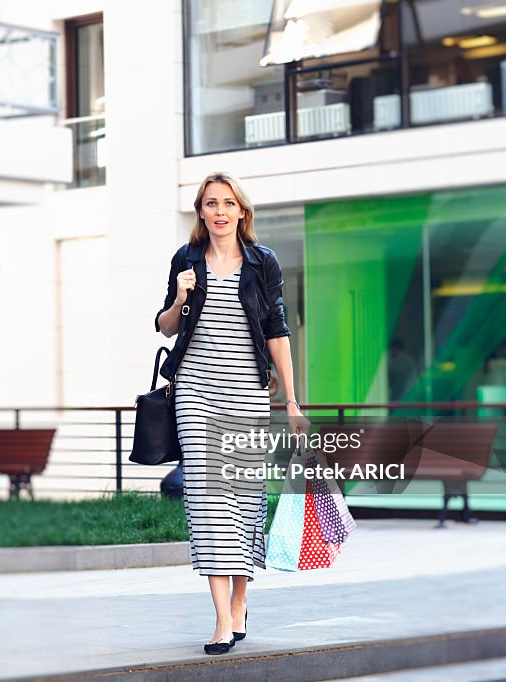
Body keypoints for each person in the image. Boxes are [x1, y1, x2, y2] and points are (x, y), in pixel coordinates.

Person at [155, 171, 308, 656]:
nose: (219, 212)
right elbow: (164, 327)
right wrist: (181, 296)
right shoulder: (186, 259)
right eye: (210, 204)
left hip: (245, 391)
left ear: (242, 211)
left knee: (243, 501)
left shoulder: (263, 262)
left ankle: (240, 601)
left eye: (228, 203)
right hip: (195, 391)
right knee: (206, 501)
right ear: (200, 212)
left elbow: (277, 330)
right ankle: (222, 620)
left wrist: (291, 398)